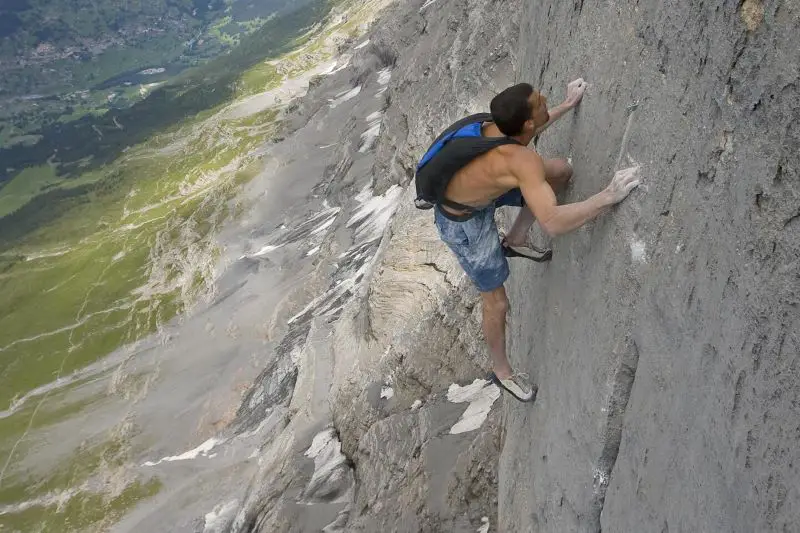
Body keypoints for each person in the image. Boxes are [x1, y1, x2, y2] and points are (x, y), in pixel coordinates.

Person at [430, 79, 641, 402]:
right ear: (527, 121)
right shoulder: (520, 159)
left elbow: (528, 130)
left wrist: (567, 105)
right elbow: (553, 223)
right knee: (497, 302)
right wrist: (607, 196)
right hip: (465, 224)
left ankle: (515, 238)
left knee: (560, 172)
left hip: (481, 192)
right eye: (540, 101)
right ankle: (502, 372)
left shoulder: (495, 125)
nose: (545, 99)